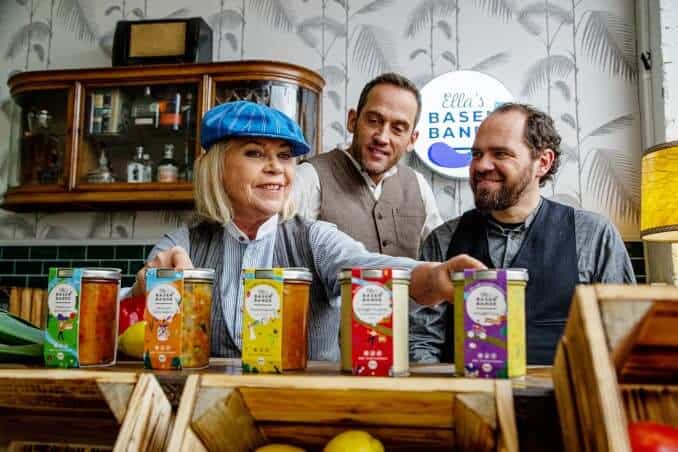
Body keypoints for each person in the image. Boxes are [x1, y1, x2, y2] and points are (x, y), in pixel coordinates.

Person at [132, 100, 484, 361]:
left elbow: (370, 267)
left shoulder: (314, 238)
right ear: (217, 167)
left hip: (305, 410)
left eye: (285, 156)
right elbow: (132, 321)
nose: (276, 168)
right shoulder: (183, 244)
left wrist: (435, 277)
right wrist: (143, 286)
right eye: (255, 153)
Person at [409, 102, 635, 365]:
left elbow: (622, 337)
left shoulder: (594, 236)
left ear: (543, 163)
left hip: (560, 391)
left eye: (500, 153)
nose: (481, 165)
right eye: (477, 154)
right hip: (466, 389)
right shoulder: (442, 240)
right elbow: (421, 341)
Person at [292, 73, 442, 258]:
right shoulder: (309, 177)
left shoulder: (418, 185)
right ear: (352, 121)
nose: (382, 138)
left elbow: (441, 258)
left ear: (412, 140)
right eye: (373, 121)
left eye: (397, 129)